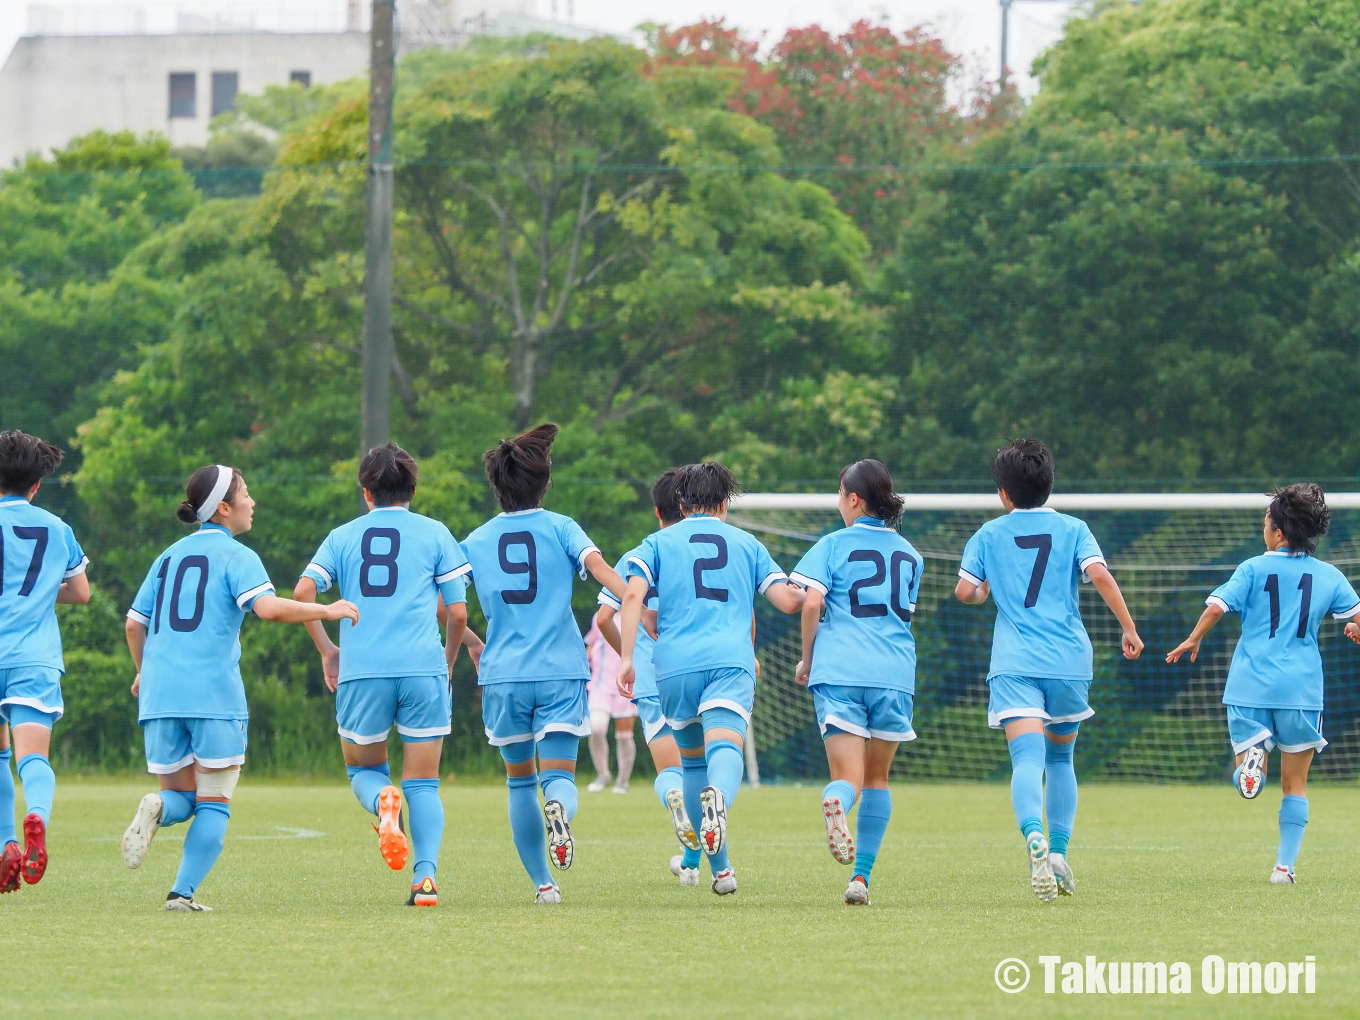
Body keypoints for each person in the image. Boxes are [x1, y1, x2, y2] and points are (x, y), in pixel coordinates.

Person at [121, 465, 359, 911]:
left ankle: (156, 806)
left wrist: (143, 671)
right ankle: (181, 894)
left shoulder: (167, 557)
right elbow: (267, 608)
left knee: (179, 798)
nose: (253, 502)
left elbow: (135, 625)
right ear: (224, 508)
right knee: (213, 804)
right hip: (213, 697)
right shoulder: (237, 556)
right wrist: (326, 612)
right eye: (246, 494)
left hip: (159, 696)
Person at [954, 439, 1142, 903]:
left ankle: (1033, 834)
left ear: (1003, 492)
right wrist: (1129, 627)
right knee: (1061, 760)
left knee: (1026, 761)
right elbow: (1098, 575)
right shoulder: (1075, 529)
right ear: (1049, 484)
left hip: (1015, 664)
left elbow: (965, 591)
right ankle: (1057, 853)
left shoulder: (988, 534)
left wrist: (985, 592)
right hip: (1068, 663)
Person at [294, 443, 470, 907]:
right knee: (425, 783)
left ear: (366, 491)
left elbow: (304, 590)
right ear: (412, 489)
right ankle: (425, 880)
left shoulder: (343, 535)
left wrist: (329, 650)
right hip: (422, 669)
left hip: (362, 670)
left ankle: (381, 801)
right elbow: (456, 613)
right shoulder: (435, 534)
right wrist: (447, 660)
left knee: (364, 769)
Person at [618, 462, 805, 896]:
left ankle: (720, 872)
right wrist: (819, 592)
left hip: (673, 667)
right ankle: (720, 800)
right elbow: (786, 601)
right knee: (726, 749)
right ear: (724, 504)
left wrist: (627, 659)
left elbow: (632, 595)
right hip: (728, 660)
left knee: (694, 764)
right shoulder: (747, 544)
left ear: (681, 506)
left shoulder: (657, 543)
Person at [460, 423, 626, 904]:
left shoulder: (473, 541)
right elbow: (600, 572)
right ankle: (559, 807)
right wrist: (639, 602)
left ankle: (543, 885)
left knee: (518, 783)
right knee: (559, 778)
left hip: (504, 674)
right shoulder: (562, 526)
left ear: (497, 486)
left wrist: (473, 642)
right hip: (560, 670)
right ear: (543, 482)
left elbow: (444, 604)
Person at [1167, 483, 1360, 884]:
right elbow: (1358, 615)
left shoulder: (1253, 567)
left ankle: (1250, 768)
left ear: (1277, 532)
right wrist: (1355, 628)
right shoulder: (1329, 575)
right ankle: (1283, 868)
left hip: (1250, 684)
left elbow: (1217, 605)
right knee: (1296, 783)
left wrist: (1194, 637)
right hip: (1302, 690)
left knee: (1247, 775)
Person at [791, 460, 921, 906]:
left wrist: (808, 660)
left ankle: (836, 801)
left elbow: (811, 605)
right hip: (895, 675)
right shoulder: (911, 555)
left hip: (841, 671)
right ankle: (860, 880)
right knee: (878, 777)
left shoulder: (832, 545)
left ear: (854, 499)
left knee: (847, 778)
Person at [596, 467, 703, 884]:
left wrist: (628, 655)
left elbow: (603, 617)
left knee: (672, 774)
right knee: (703, 773)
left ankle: (687, 850)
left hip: (651, 682)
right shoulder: (705, 552)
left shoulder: (638, 555)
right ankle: (699, 862)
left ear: (659, 513)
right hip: (699, 673)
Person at [0, 431, 90, 893]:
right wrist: (38, 591)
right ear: (36, 485)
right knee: (31, 757)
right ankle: (36, 816)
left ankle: (6, 844)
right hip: (34, 658)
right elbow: (80, 592)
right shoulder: (58, 529)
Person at [583, 618, 637, 794]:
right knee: (596, 728)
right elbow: (591, 645)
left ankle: (623, 781)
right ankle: (603, 774)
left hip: (627, 682)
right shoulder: (601, 614)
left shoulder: (636, 613)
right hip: (600, 683)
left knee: (624, 735)